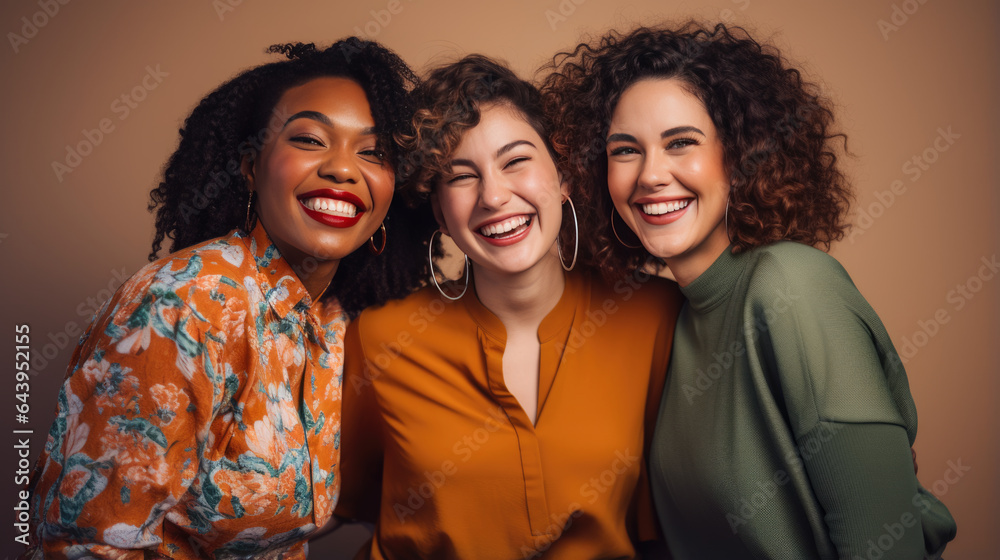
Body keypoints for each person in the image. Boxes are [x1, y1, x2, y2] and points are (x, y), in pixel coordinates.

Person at [542, 22, 957, 559]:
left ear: (739, 155)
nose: (650, 175)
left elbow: (887, 544)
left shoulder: (792, 286)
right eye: (625, 150)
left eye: (681, 143)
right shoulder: (671, 318)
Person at [23, 38, 428, 559]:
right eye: (310, 139)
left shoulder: (332, 320)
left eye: (373, 152)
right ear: (250, 166)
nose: (343, 168)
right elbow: (88, 546)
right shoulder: (183, 304)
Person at [334, 55, 683, 558]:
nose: (494, 196)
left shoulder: (653, 315)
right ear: (439, 212)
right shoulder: (380, 336)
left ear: (563, 179)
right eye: (461, 176)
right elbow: (337, 511)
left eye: (515, 160)